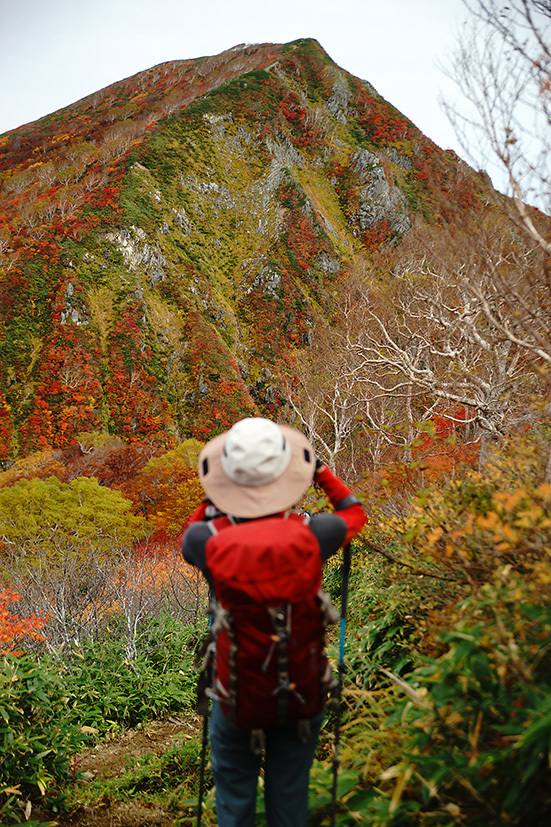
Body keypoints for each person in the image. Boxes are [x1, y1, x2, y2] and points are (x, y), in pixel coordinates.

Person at [181, 417, 366, 827]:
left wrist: (217, 496)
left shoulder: (206, 543)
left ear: (228, 480)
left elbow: (192, 530)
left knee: (233, 795)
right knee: (289, 795)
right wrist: (319, 472)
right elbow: (353, 512)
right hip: (302, 689)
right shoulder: (317, 533)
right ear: (286, 474)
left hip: (234, 691)